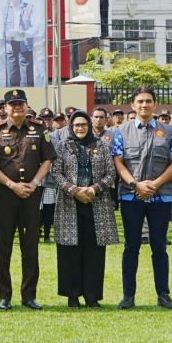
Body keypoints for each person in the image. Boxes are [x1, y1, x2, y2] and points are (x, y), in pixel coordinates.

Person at [111, 87, 172, 310]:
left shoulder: (169, 131)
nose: (144, 105)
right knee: (131, 247)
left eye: (148, 101)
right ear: (132, 105)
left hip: (160, 197)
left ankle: (163, 295)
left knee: (159, 247)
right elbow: (118, 161)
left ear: (155, 104)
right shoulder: (121, 131)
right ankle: (128, 296)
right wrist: (135, 184)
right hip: (131, 196)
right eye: (140, 101)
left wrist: (156, 184)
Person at [0, 89, 54, 310]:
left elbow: (48, 159)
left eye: (20, 103)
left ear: (26, 106)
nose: (17, 107)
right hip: (5, 194)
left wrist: (33, 184)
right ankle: (5, 296)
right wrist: (12, 185)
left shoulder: (39, 129)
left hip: (31, 195)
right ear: (4, 108)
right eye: (12, 104)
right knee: (3, 247)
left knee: (30, 246)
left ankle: (29, 295)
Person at [50, 110, 117, 307]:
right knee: (70, 251)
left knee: (94, 252)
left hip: (96, 204)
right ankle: (72, 296)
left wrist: (94, 189)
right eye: (76, 125)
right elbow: (56, 172)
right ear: (71, 127)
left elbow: (110, 173)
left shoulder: (102, 146)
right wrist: (73, 190)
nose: (80, 128)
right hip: (70, 205)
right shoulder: (62, 147)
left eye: (83, 125)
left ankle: (92, 296)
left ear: (89, 126)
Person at [0, 0, 35, 86]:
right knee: (11, 74)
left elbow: (36, 27)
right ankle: (12, 97)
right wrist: (4, 34)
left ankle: (27, 96)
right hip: (10, 44)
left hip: (24, 43)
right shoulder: (4, 8)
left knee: (26, 75)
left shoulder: (29, 7)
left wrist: (25, 33)